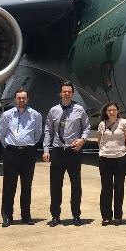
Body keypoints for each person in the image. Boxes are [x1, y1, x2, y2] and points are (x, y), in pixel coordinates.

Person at [42, 81, 90, 226]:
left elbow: (87, 127)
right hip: (58, 151)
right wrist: (46, 149)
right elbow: (48, 130)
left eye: (69, 91)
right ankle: (55, 215)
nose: (67, 94)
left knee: (76, 185)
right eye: (64, 91)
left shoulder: (79, 110)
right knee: (55, 185)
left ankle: (76, 215)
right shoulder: (53, 110)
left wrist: (82, 140)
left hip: (73, 151)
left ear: (72, 93)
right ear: (60, 93)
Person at [0, 88, 42, 227]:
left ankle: (26, 216)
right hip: (11, 153)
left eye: (24, 98)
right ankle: (7, 216)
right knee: (9, 185)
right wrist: (9, 146)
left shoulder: (35, 115)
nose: (21, 100)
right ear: (15, 99)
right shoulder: (7, 115)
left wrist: (28, 145)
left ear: (28, 99)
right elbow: (1, 133)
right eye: (19, 98)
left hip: (28, 153)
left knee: (26, 185)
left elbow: (38, 133)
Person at [97, 102, 126, 226]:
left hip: (120, 160)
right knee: (106, 189)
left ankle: (118, 216)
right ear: (106, 112)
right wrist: (104, 151)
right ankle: (106, 216)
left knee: (119, 188)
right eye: (109, 110)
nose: (112, 112)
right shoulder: (102, 124)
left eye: (114, 110)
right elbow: (99, 141)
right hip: (105, 160)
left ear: (118, 111)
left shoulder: (123, 123)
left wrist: (122, 151)